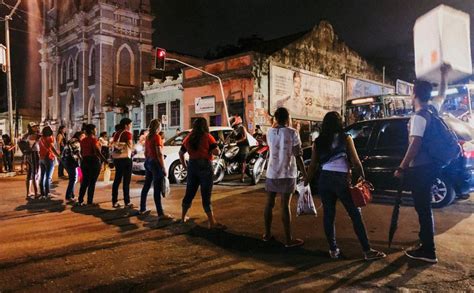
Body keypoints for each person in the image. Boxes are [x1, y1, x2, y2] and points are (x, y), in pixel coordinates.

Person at [305, 111, 386, 260]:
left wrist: (306, 182)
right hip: (341, 180)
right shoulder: (346, 138)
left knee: (329, 215)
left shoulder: (319, 141)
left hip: (324, 180)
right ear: (339, 123)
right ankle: (367, 250)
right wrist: (362, 177)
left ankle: (333, 250)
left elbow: (313, 165)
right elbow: (355, 161)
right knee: (355, 214)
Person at [394, 71, 449, 264]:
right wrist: (444, 75)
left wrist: (401, 167)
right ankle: (425, 243)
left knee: (423, 208)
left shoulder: (419, 116)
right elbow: (442, 94)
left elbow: (414, 144)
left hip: (421, 169)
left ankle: (428, 250)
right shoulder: (432, 109)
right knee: (424, 208)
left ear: (415, 94)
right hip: (431, 167)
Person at [264, 107, 307, 248]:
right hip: (287, 173)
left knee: (269, 204)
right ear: (288, 118)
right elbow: (298, 155)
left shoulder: (269, 132)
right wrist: (305, 173)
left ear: (276, 118)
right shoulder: (293, 133)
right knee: (284, 206)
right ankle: (288, 240)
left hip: (272, 173)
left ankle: (267, 234)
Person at [179, 117, 226, 230]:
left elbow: (181, 153)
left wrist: (185, 166)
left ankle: (183, 217)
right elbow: (216, 151)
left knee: (189, 192)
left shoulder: (188, 137)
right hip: (205, 165)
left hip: (192, 166)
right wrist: (215, 149)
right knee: (206, 194)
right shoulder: (208, 137)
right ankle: (211, 222)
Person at [140, 119, 173, 220]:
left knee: (146, 186)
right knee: (157, 189)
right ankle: (160, 214)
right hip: (155, 163)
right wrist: (163, 167)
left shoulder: (148, 137)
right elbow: (159, 153)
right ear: (158, 127)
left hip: (148, 162)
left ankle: (142, 208)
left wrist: (148, 161)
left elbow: (145, 152)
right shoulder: (157, 137)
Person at [77, 124, 106, 206]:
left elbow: (81, 152)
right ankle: (89, 201)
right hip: (93, 162)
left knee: (85, 182)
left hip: (84, 162)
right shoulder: (94, 140)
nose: (96, 130)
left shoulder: (83, 140)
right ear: (93, 130)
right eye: (95, 129)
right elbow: (97, 152)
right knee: (92, 182)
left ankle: (80, 200)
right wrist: (105, 161)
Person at [111, 118, 134, 208]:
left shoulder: (116, 133)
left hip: (117, 159)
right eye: (130, 125)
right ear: (126, 125)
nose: (130, 126)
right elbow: (130, 145)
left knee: (117, 180)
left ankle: (114, 201)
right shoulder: (127, 134)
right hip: (125, 159)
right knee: (126, 181)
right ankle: (127, 202)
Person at [38, 126, 61, 198]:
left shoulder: (41, 138)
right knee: (48, 177)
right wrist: (58, 156)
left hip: (41, 158)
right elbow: (52, 148)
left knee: (42, 176)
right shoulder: (50, 138)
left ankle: (42, 193)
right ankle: (47, 193)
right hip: (48, 157)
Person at [63, 131, 84, 202]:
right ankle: (68, 196)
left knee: (73, 178)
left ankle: (71, 195)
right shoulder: (76, 142)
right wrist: (82, 160)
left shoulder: (71, 140)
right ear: (79, 136)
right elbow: (77, 152)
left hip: (66, 161)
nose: (83, 138)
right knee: (73, 179)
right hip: (71, 162)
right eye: (82, 136)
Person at [23, 122, 41, 198]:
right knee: (35, 173)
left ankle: (28, 193)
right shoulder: (36, 135)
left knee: (29, 174)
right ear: (31, 128)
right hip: (34, 154)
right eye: (34, 126)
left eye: (36, 126)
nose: (36, 127)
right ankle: (36, 193)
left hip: (28, 155)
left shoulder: (26, 135)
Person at [231, 115, 249, 183]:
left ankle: (242, 176)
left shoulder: (242, 128)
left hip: (244, 146)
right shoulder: (234, 129)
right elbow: (230, 136)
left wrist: (237, 141)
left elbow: (244, 137)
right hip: (237, 146)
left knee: (242, 160)